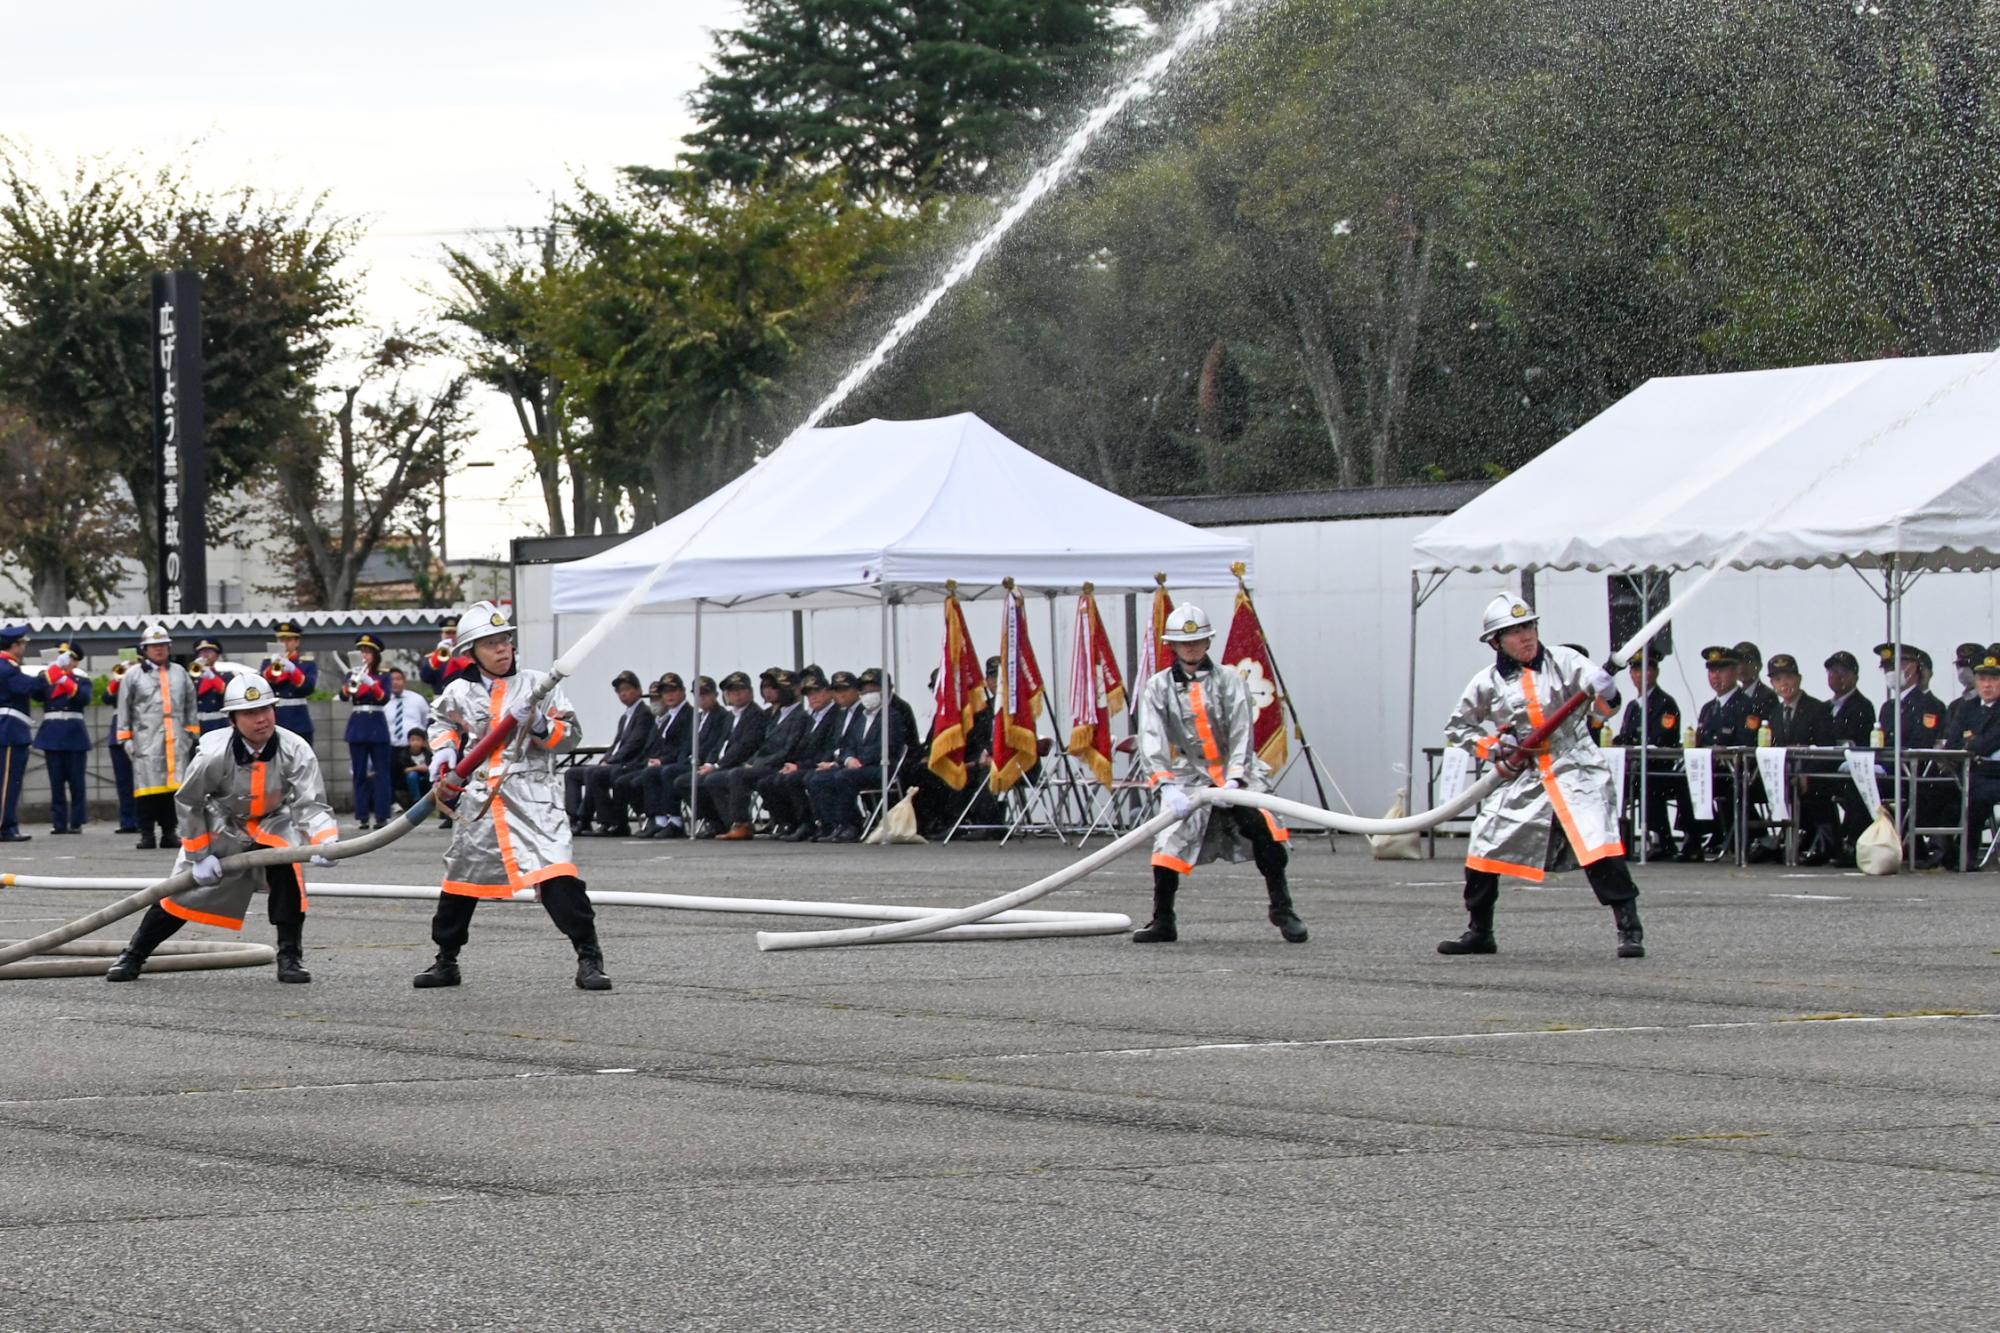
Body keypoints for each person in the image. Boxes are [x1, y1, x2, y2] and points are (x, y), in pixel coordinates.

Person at [1436, 594, 1645, 959]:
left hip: (1575, 767)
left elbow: (1602, 705)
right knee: (1483, 844)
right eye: (1515, 631)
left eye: (1529, 626)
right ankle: (1479, 931)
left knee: (1598, 843)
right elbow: (1457, 729)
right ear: (1496, 642)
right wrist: (1495, 747)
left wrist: (1608, 691)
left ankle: (1630, 930)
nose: (1526, 636)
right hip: (1524, 775)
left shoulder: (1566, 661)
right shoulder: (1487, 682)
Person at [417, 600, 610, 991]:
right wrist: (444, 751)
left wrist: (539, 722)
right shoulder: (457, 691)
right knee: (461, 880)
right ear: (472, 652)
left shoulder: (540, 685)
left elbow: (569, 737)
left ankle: (589, 957)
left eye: (505, 639)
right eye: (491, 643)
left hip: (533, 797)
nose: (502, 648)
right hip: (481, 801)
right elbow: (441, 723)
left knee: (557, 874)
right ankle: (446, 960)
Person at [105, 675, 342, 984]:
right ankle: (135, 953)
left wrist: (326, 841)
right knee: (181, 891)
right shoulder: (213, 754)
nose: (261, 719)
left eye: (266, 710)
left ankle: (290, 957)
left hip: (274, 821)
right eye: (250, 713)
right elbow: (190, 802)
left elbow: (310, 802)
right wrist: (199, 854)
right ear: (232, 719)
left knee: (287, 872)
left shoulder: (296, 749)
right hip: (223, 821)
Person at [116, 624, 198, 850]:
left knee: (173, 790)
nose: (159, 650)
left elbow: (191, 703)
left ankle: (170, 832)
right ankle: (147, 834)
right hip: (146, 739)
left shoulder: (180, 672)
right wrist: (125, 738)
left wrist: (192, 732)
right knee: (147, 791)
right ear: (144, 649)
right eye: (154, 646)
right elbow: (125, 707)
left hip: (176, 739)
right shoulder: (133, 675)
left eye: (162, 645)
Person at [805, 668, 908, 843]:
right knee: (817, 779)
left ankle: (851, 824)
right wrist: (847, 759)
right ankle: (831, 824)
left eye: (873, 691)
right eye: (865, 692)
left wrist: (860, 760)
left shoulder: (891, 716)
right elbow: (849, 744)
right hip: (857, 766)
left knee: (844, 777)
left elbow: (886, 747)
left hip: (880, 767)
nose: (868, 695)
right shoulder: (860, 717)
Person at [1750, 654, 1833, 863]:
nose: (1784, 684)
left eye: (1788, 677)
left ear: (1799, 679)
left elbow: (1825, 748)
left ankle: (1820, 838)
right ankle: (1764, 839)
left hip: (1813, 773)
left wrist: (1807, 772)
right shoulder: (1775, 712)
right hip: (1782, 774)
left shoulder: (1817, 709)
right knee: (1745, 787)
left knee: (1810, 789)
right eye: (1778, 680)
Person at [711, 667, 808, 840]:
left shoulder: (800, 716)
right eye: (765, 687)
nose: (769, 692)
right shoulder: (774, 715)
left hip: (778, 764)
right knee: (717, 778)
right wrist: (753, 760)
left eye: (775, 687)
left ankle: (743, 824)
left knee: (738, 775)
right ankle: (728, 823)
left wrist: (758, 763)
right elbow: (761, 745)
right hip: (764, 763)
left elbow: (788, 749)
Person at [1679, 644, 1754, 862]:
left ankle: (1704, 834)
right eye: (1712, 671)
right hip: (1707, 771)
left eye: (1721, 670)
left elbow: (1746, 742)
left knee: (1693, 782)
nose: (1715, 676)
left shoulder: (1746, 706)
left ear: (1735, 671)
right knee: (1682, 779)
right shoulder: (1708, 708)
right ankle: (1694, 836)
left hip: (1732, 773)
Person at [1612, 650, 1688, 859]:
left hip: (1659, 767)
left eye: (1645, 670)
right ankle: (1614, 837)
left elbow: (1664, 738)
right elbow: (1625, 736)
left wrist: (1637, 742)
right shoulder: (1632, 706)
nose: (1639, 675)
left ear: (1655, 672)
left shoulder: (1665, 703)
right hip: (1635, 767)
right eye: (1634, 670)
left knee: (1649, 782)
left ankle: (1662, 838)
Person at [677, 671, 767, 837]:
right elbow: (719, 744)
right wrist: (710, 762)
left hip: (739, 763)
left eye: (741, 690)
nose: (737, 695)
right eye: (732, 691)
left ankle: (736, 823)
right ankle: (714, 820)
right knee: (683, 782)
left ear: (750, 691)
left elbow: (744, 746)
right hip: (722, 763)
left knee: (714, 779)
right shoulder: (731, 716)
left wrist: (717, 766)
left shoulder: (755, 715)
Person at [567, 670, 650, 837]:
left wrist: (611, 761)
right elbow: (617, 744)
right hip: (614, 761)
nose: (623, 694)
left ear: (638, 690)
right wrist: (606, 758)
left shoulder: (644, 713)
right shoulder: (625, 717)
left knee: (595, 773)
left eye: (627, 689)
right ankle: (575, 817)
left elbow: (634, 744)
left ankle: (606, 821)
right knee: (572, 773)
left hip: (630, 763)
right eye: (620, 691)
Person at [765, 668, 845, 841]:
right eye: (809, 694)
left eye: (817, 692)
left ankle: (816, 823)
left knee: (796, 779)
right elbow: (802, 747)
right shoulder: (812, 717)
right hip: (808, 763)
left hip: (824, 763)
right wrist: (792, 763)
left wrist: (800, 766)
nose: (813, 697)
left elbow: (829, 748)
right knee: (773, 780)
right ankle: (791, 822)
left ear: (829, 692)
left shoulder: (836, 715)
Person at [644, 675, 725, 838]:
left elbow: (715, 744)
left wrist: (706, 762)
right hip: (687, 761)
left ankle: (676, 821)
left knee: (669, 772)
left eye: (705, 694)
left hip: (703, 762)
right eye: (698, 694)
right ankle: (660, 820)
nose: (702, 698)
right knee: (651, 772)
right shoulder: (699, 717)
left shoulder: (718, 716)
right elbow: (688, 744)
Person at [620, 675, 693, 837]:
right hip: (662, 763)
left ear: (683, 692)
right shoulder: (667, 718)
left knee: (660, 772)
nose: (669, 696)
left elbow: (683, 745)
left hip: (679, 762)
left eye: (673, 691)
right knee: (628, 779)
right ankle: (657, 819)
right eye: (665, 692)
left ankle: (675, 821)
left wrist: (662, 760)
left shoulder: (689, 715)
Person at [33, 640, 93, 835]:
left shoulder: (81, 680)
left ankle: (76, 822)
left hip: (74, 734)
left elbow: (84, 698)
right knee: (56, 782)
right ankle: (58, 822)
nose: (66, 660)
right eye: (63, 656)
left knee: (77, 782)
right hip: (52, 734)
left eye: (70, 658)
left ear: (76, 662)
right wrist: (50, 673)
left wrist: (64, 681)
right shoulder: (48, 678)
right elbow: (35, 694)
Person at [340, 633, 395, 831]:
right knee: (359, 773)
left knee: (381, 773)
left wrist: (371, 683)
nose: (364, 655)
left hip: (377, 724)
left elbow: (384, 698)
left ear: (376, 655)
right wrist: (354, 681)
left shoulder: (384, 675)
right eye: (362, 651)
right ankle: (362, 816)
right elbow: (343, 696)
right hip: (358, 725)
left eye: (368, 652)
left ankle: (382, 815)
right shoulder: (352, 673)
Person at [0, 624, 49, 842]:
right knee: (6, 783)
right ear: (14, 645)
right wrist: (52, 672)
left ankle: (9, 824)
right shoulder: (4, 667)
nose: (25, 647)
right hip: (7, 730)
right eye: (22, 643)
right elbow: (24, 687)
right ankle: (5, 827)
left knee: (11, 782)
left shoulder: (9, 666)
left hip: (12, 729)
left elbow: (36, 690)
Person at [1957, 644, 2000, 861]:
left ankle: (1967, 851)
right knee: (1933, 789)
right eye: (1982, 678)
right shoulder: (1967, 707)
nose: (1987, 684)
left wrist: (1972, 743)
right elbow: (1954, 742)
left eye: (1993, 679)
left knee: (1974, 793)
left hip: (1993, 775)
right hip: (1968, 771)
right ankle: (1935, 846)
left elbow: (1987, 744)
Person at [260, 620, 319, 741]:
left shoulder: (306, 663)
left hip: (298, 720)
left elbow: (308, 688)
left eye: (288, 640)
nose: (284, 643)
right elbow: (263, 686)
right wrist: (271, 667)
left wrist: (293, 670)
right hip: (276, 719)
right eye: (281, 640)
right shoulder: (268, 662)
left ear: (296, 642)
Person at [104, 657, 140, 833]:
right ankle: (127, 821)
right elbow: (107, 697)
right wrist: (119, 678)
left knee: (142, 781)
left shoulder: (144, 680)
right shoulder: (120, 681)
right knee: (123, 782)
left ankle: (143, 820)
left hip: (141, 734)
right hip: (119, 735)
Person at [385, 668, 431, 758]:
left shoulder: (417, 699)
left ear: (404, 681)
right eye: (391, 680)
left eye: (398, 679)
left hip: (413, 749)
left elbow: (425, 720)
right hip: (390, 748)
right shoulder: (383, 701)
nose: (395, 682)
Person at [191, 638, 233, 736]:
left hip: (219, 723)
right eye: (201, 652)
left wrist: (211, 676)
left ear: (217, 656)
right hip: (199, 723)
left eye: (209, 651)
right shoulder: (193, 676)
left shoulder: (225, 675)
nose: (204, 655)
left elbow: (225, 692)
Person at [393, 727, 433, 812]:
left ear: (423, 742)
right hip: (408, 780)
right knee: (412, 776)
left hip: (426, 777)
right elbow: (404, 770)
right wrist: (418, 768)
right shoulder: (404, 754)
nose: (415, 743)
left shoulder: (427, 754)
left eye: (418, 740)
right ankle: (416, 801)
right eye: (413, 740)